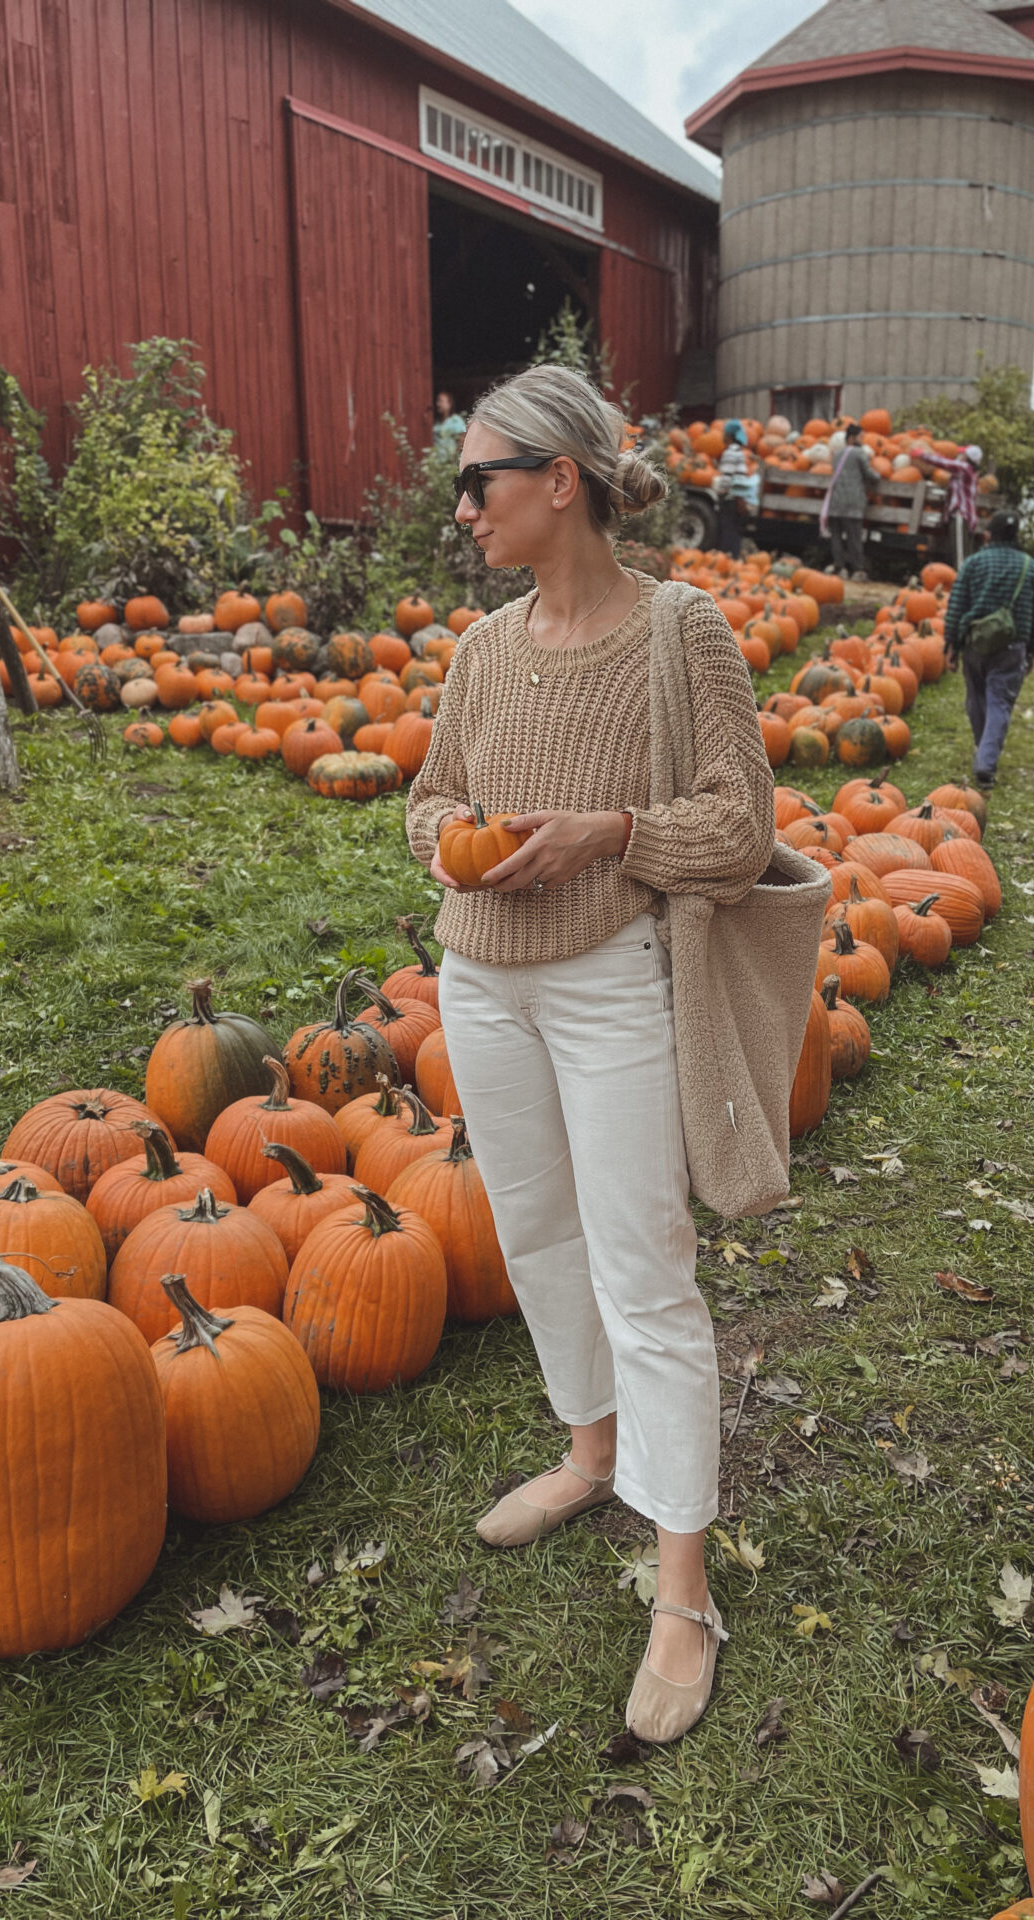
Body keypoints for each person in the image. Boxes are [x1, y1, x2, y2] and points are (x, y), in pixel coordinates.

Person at [404, 363, 773, 1744]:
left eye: (479, 478)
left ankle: (682, 1586)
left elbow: (736, 828)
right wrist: (451, 844)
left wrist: (609, 832)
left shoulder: (683, 635)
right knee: (540, 1236)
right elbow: (430, 796)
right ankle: (589, 1450)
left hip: (616, 982)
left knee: (644, 1265)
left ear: (561, 480)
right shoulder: (487, 649)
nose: (463, 507)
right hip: (481, 985)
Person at [944, 508, 1034, 790]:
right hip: (1012, 645)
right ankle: (986, 763)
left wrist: (950, 642)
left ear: (988, 534)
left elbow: (956, 605)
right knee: (1000, 700)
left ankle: (983, 749)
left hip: (975, 641)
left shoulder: (974, 563)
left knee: (976, 698)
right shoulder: (1030, 566)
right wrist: (1033, 649)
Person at [818, 422, 876, 581]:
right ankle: (858, 570)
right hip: (852, 501)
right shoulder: (859, 453)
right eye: (861, 437)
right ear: (851, 438)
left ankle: (840, 567)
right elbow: (869, 473)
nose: (863, 440)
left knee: (836, 535)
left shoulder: (837, 454)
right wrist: (878, 477)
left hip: (835, 501)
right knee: (854, 536)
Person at [713, 418, 760, 555]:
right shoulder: (739, 451)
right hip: (738, 497)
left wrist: (719, 491)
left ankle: (729, 559)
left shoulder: (729, 453)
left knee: (728, 531)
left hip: (730, 498)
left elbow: (727, 478)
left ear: (729, 435)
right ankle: (732, 560)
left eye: (724, 433)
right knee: (734, 531)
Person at [941, 443, 983, 565]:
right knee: (964, 554)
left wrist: (922, 455)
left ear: (967, 458)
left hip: (961, 516)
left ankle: (961, 580)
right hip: (967, 517)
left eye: (963, 454)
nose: (960, 456)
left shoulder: (965, 469)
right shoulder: (967, 472)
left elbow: (943, 463)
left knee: (960, 555)